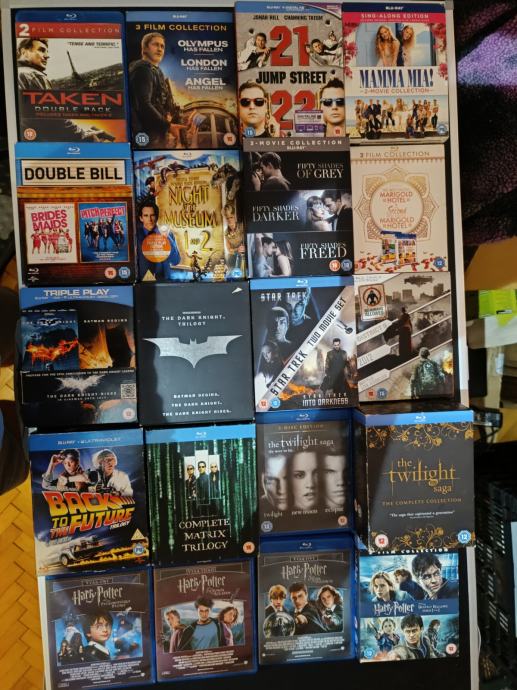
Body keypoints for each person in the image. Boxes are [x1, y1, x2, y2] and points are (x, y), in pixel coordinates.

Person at [17, 38, 113, 142]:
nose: (47, 55)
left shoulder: (18, 73)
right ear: (24, 52)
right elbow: (54, 116)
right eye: (41, 50)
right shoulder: (33, 76)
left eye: (47, 51)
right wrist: (82, 134)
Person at [128, 32, 184, 148]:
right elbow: (143, 104)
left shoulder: (156, 70)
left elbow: (160, 100)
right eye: (155, 45)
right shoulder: (142, 70)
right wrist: (168, 126)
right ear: (145, 48)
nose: (159, 49)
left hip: (155, 132)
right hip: (147, 134)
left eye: (162, 46)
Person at [137, 201, 181, 280]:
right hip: (143, 282)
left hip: (165, 282)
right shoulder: (136, 236)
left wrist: (166, 238)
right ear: (141, 218)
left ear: (157, 217)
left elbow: (175, 261)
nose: (150, 219)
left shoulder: (168, 234)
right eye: (146, 215)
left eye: (152, 215)